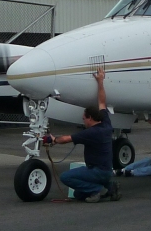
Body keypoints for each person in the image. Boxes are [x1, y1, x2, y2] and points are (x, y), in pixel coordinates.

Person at [43, 68, 120, 203]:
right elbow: (102, 102)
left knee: (66, 177)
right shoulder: (106, 122)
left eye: (84, 118)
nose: (83, 120)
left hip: (97, 172)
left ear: (90, 118)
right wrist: (100, 82)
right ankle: (110, 187)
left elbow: (67, 138)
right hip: (107, 171)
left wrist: (54, 139)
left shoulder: (91, 133)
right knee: (79, 194)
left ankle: (98, 190)